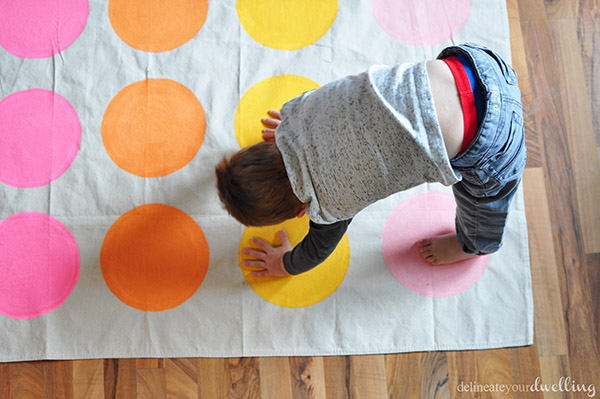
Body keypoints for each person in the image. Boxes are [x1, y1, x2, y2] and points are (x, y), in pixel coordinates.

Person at [216, 43, 526, 278]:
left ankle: (470, 247)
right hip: (471, 64)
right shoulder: (295, 112)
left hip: (493, 140)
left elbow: (314, 252)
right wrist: (287, 131)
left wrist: (285, 264)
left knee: (484, 209)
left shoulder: (328, 206)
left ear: (301, 211)